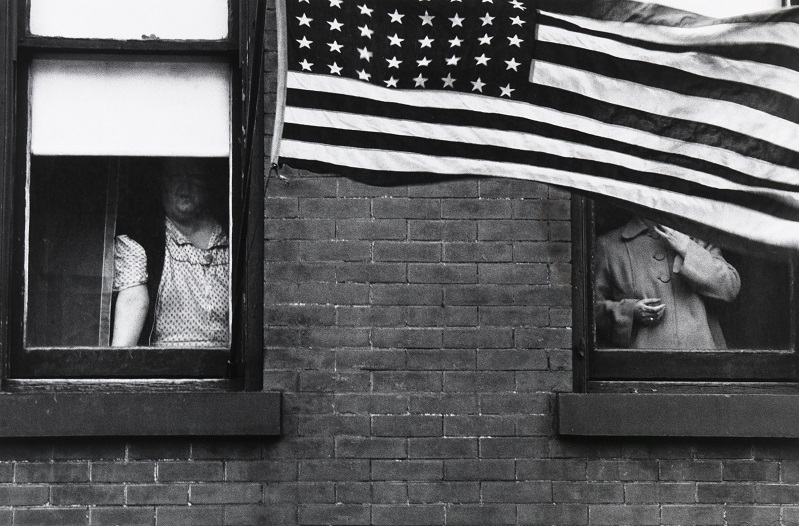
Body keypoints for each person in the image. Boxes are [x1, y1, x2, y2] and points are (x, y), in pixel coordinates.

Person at [111, 158, 229, 347]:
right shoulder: (142, 241)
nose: (185, 185)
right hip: (167, 369)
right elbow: (133, 302)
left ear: (208, 182)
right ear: (161, 182)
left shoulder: (232, 239)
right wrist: (116, 368)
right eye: (175, 176)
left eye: (195, 177)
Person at [594, 216, 740, 349]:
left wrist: (687, 248)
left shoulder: (698, 238)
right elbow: (589, 310)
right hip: (642, 365)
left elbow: (730, 287)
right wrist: (629, 312)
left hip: (701, 361)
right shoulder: (609, 245)